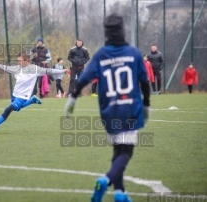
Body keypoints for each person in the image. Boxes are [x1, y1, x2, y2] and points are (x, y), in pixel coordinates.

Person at [64, 14, 150, 202]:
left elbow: (84, 79)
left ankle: (120, 194)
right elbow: (144, 81)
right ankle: (105, 180)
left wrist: (72, 99)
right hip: (130, 110)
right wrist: (147, 105)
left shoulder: (102, 54)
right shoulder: (133, 52)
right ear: (122, 30)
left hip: (109, 112)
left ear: (106, 32)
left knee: (117, 151)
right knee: (126, 152)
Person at [0, 52, 68, 134]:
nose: (19, 62)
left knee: (8, 110)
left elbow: (49, 71)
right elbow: (5, 67)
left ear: (27, 60)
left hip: (23, 97)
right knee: (15, 108)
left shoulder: (35, 69)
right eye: (18, 60)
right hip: (15, 95)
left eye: (20, 61)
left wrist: (63, 71)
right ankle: (32, 100)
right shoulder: (17, 69)